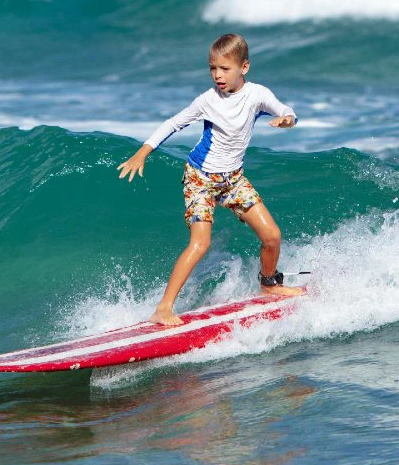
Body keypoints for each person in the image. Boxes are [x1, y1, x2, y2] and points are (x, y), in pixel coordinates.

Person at [117, 33, 303, 326]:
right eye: (212, 68)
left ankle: (268, 285)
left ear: (244, 67)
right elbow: (173, 123)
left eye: (224, 69)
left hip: (233, 180)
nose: (217, 75)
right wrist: (142, 153)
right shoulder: (207, 100)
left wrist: (287, 121)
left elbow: (287, 111)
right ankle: (164, 308)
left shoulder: (257, 95)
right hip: (200, 178)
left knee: (272, 237)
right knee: (200, 244)